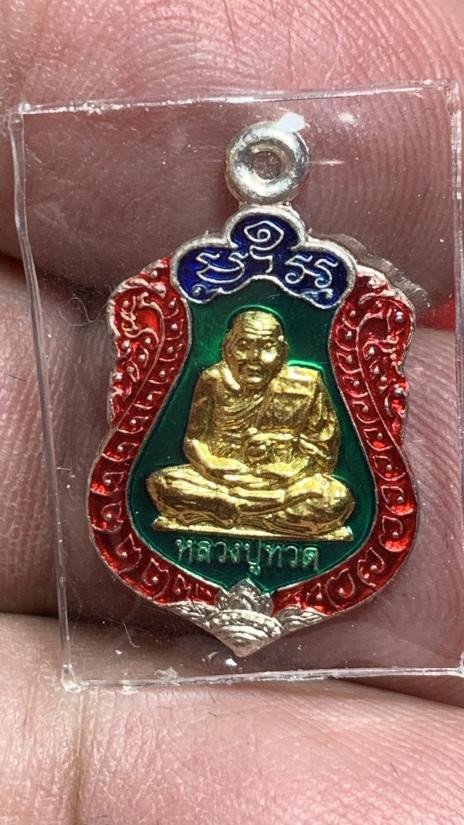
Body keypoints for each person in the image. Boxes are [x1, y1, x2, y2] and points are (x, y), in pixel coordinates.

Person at [148, 310, 354, 538]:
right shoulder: (213, 380)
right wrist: (212, 465)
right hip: (222, 481)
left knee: (335, 498)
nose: (255, 357)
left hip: (281, 486)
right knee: (163, 483)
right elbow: (194, 440)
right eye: (244, 346)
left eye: (267, 347)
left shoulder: (306, 385)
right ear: (227, 348)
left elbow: (323, 453)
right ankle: (250, 515)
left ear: (282, 351)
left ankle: (228, 511)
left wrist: (290, 469)